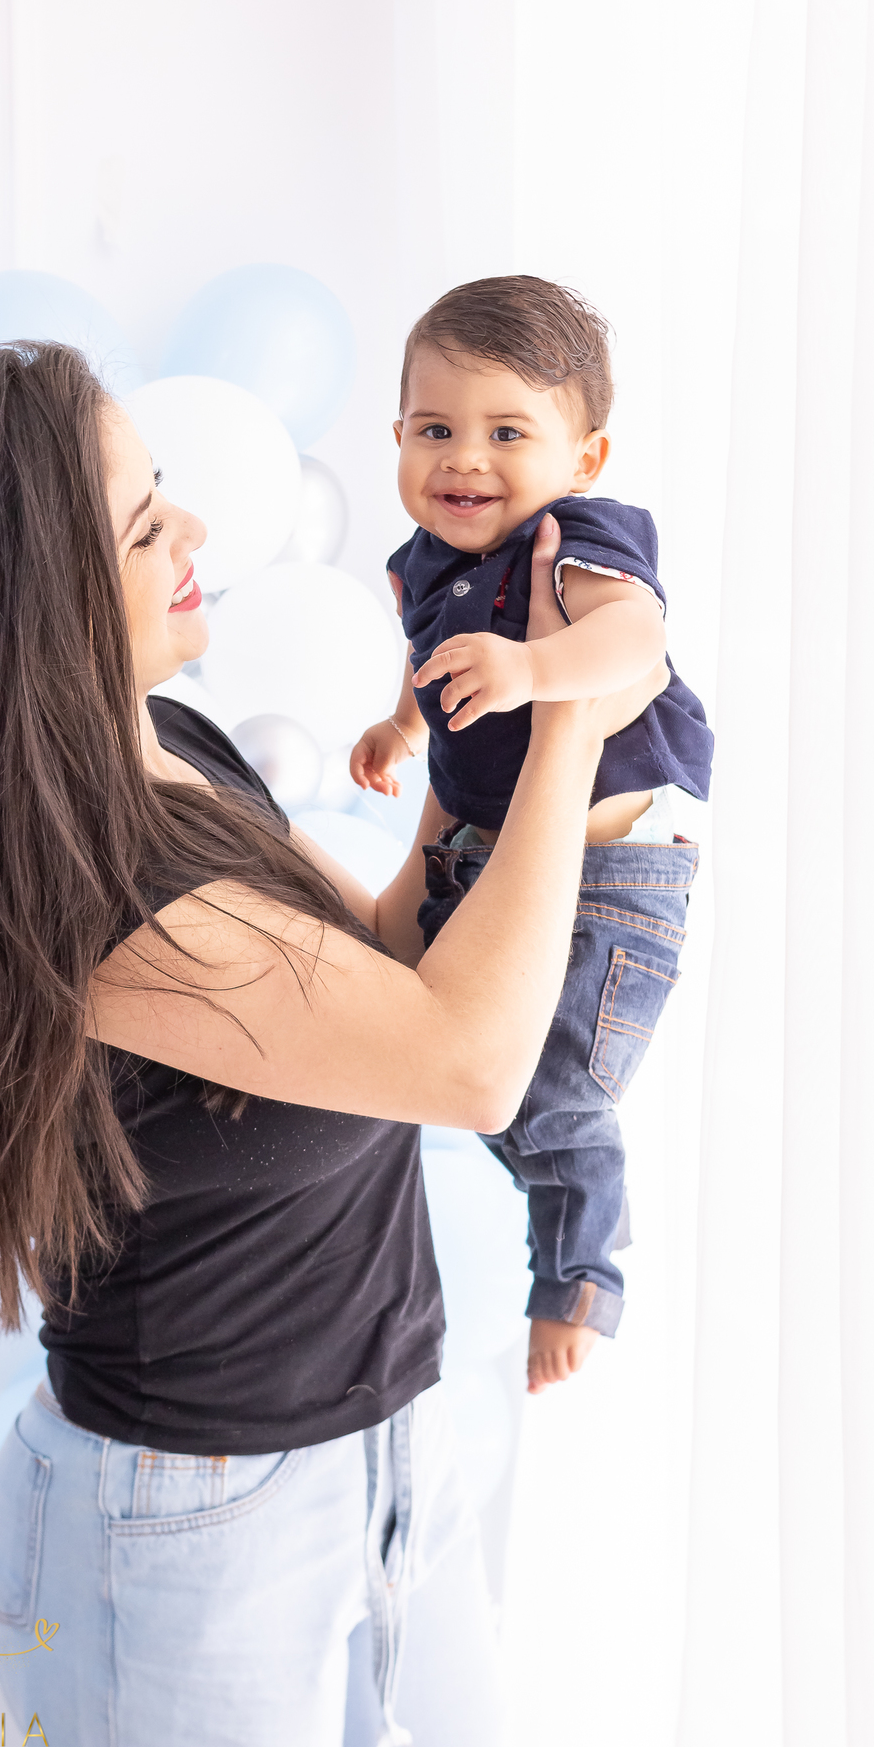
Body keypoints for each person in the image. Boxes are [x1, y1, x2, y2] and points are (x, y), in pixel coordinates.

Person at [0, 341, 666, 1747]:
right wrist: (569, 717)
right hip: (194, 1523)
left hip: (391, 1444)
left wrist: (475, 746)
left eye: (168, 494)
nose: (194, 530)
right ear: (29, 596)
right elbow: (466, 1064)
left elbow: (392, 958)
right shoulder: (84, 890)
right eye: (145, 524)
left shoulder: (173, 741)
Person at [351, 276, 713, 1393]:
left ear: (584, 457)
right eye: (436, 430)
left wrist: (534, 669)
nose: (465, 458)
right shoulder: (424, 559)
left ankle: (582, 1280)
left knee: (550, 1094)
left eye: (508, 433)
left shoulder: (578, 540)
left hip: (606, 879)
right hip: (487, 860)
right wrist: (403, 724)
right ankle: (553, 1216)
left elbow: (634, 643)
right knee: (447, 1065)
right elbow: (432, 653)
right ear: (398, 439)